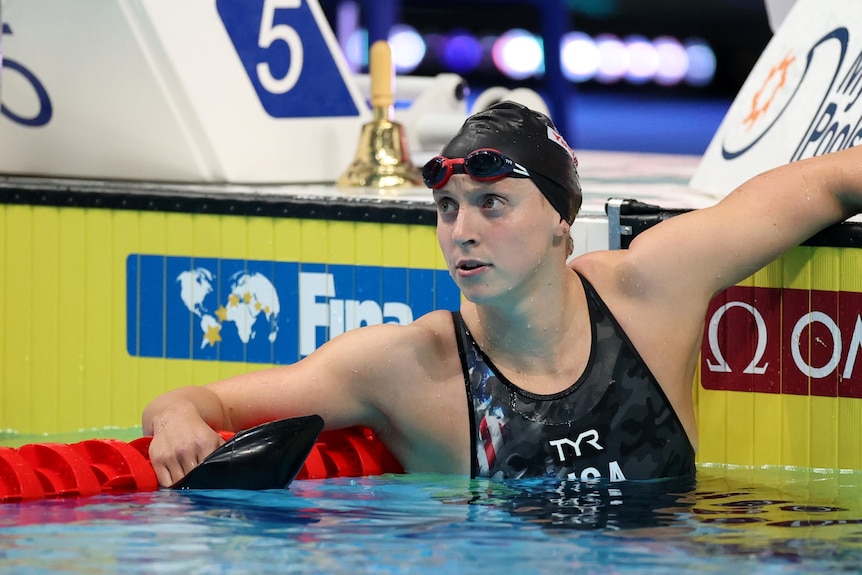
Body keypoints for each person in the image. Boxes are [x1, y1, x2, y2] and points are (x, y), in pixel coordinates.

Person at [143, 101, 862, 488]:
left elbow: (825, 184)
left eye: (492, 203)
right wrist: (176, 420)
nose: (463, 229)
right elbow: (196, 403)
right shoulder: (409, 368)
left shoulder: (650, 291)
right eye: (449, 207)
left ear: (559, 218)